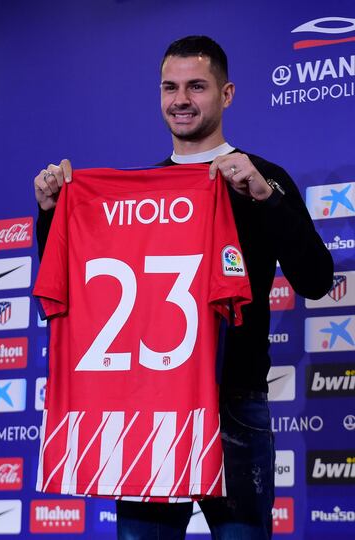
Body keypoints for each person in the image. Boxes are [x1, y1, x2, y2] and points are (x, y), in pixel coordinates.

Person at [34, 36, 333, 540]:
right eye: (170, 87)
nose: (181, 99)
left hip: (234, 406)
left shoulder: (263, 179)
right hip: (149, 408)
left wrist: (266, 197)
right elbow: (76, 289)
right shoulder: (135, 188)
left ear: (227, 93)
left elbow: (317, 280)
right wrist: (51, 214)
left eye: (197, 86)